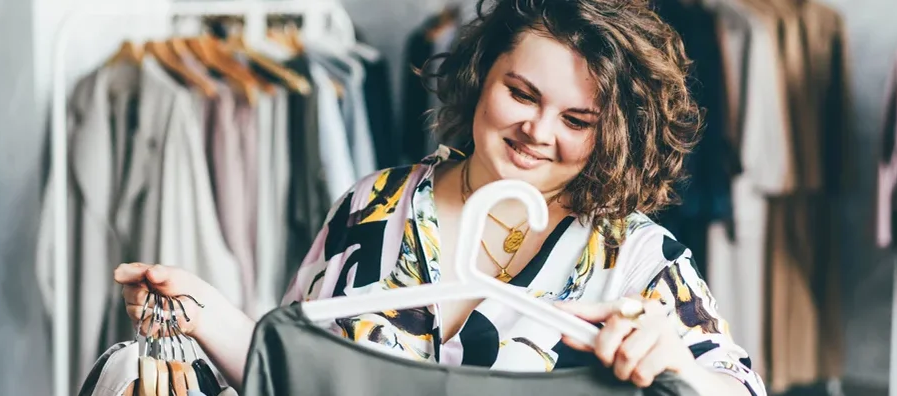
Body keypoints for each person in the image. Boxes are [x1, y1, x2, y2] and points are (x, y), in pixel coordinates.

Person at [115, 0, 766, 394]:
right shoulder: (370, 210)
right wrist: (206, 317)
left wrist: (683, 368)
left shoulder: (637, 260)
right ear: (482, 78)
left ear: (613, 133)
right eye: (522, 93)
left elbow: (739, 392)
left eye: (576, 120)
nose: (536, 132)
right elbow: (292, 376)